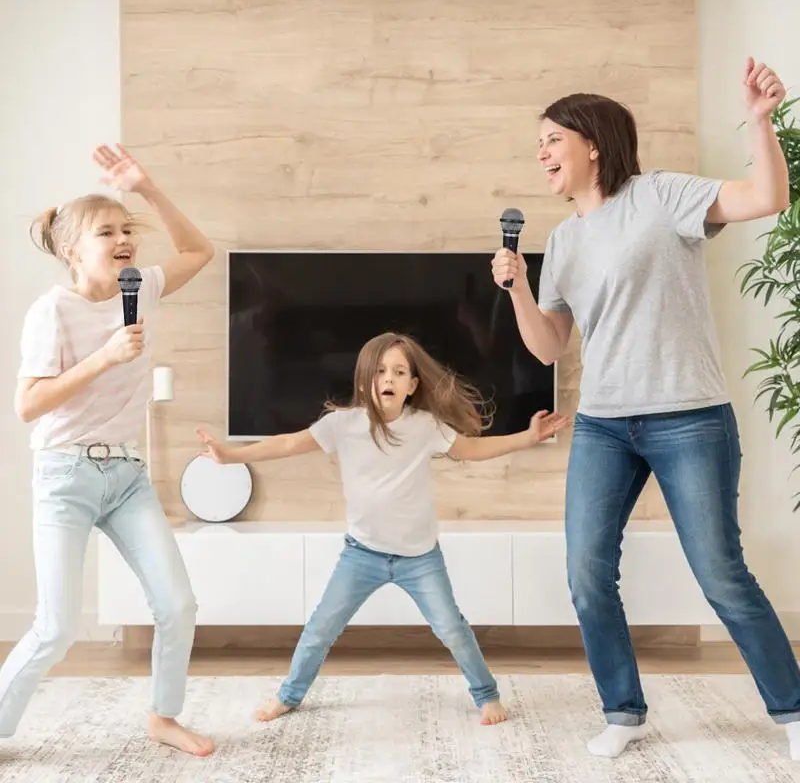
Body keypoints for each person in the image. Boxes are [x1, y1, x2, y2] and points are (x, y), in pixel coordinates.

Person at [490, 57, 800, 760]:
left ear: (592, 143)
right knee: (585, 571)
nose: (541, 153)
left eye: (552, 140)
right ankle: (623, 709)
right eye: (537, 144)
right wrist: (517, 289)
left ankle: (793, 709)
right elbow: (549, 349)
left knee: (721, 572)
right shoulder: (564, 240)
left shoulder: (660, 196)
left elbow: (765, 198)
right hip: (604, 424)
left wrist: (760, 121)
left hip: (688, 415)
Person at [197, 331, 569, 726]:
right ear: (363, 381)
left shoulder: (425, 426)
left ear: (412, 385)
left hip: (420, 558)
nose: (388, 379)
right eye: (379, 371)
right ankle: (289, 695)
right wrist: (230, 454)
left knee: (452, 629)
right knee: (321, 627)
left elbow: (472, 450)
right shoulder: (342, 425)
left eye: (398, 372)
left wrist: (527, 438)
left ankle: (486, 695)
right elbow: (288, 444)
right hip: (361, 554)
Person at [0, 145, 216, 756]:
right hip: (64, 475)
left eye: (128, 229)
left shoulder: (140, 288)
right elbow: (26, 405)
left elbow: (199, 252)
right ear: (72, 250)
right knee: (57, 626)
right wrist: (105, 357)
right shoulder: (52, 311)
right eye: (107, 231)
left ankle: (163, 717)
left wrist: (147, 188)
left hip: (125, 475)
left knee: (178, 604)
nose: (125, 239)